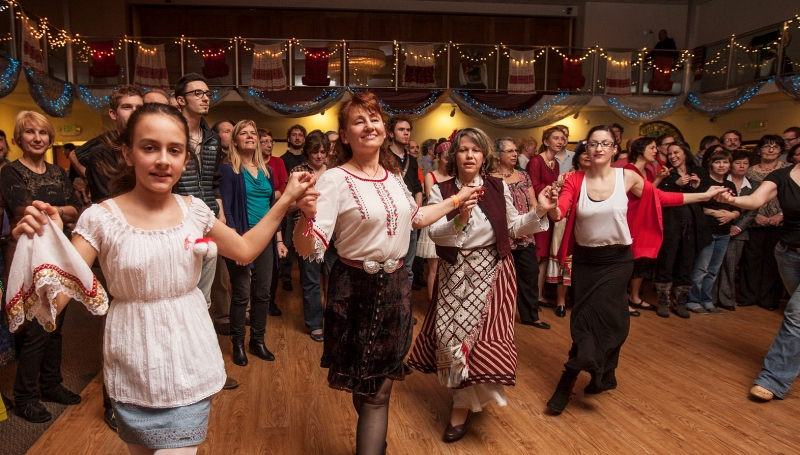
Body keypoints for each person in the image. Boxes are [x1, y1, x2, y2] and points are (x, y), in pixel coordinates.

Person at [11, 103, 314, 453]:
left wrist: (286, 200)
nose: (162, 160)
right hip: (132, 362)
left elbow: (244, 250)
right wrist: (41, 243)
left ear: (186, 160)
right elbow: (56, 300)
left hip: (189, 358)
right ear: (128, 153)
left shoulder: (194, 210)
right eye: (149, 147)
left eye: (174, 150)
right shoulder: (99, 218)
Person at [292, 92, 479, 455]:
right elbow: (309, 246)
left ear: (384, 128)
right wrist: (305, 217)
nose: (369, 126)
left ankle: (372, 442)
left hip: (396, 288)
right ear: (344, 135)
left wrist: (457, 200)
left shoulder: (394, 177)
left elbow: (417, 218)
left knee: (378, 392)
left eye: (374, 119)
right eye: (358, 121)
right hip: (354, 291)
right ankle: (374, 440)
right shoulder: (334, 179)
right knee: (365, 388)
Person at [545, 127, 724, 414]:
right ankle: (601, 372)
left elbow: (660, 198)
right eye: (593, 143)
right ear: (586, 149)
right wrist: (550, 206)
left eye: (605, 143)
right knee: (586, 318)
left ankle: (568, 380)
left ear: (614, 149)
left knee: (601, 319)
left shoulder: (626, 177)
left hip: (618, 259)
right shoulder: (574, 180)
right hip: (586, 260)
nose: (599, 148)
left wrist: (703, 196)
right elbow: (559, 212)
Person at [408, 128, 554, 443]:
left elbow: (514, 227)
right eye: (464, 150)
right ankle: (464, 394)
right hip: (454, 272)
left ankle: (460, 408)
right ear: (454, 155)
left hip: (493, 273)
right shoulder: (443, 190)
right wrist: (460, 217)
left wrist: (539, 210)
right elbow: (435, 234)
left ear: (484, 155)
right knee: (451, 338)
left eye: (476, 150)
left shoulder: (497, 187)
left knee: (482, 340)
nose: (470, 155)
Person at [1, 111, 81, 423]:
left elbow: (77, 209)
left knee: (57, 324)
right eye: (30, 132)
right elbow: (26, 211)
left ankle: (50, 384)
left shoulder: (58, 172)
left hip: (61, 252)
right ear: (17, 139)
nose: (37, 138)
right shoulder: (11, 172)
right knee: (36, 327)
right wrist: (61, 211)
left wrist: (56, 210)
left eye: (43, 133)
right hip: (29, 254)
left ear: (50, 139)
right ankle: (25, 396)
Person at [714, 155, 800, 401]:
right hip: (789, 254)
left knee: (796, 315)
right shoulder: (782, 176)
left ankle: (774, 379)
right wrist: (732, 200)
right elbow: (755, 199)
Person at [173, 73, 237, 391]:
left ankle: (205, 370)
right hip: (177, 223)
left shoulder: (212, 138)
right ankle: (179, 372)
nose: (205, 97)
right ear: (180, 100)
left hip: (207, 221)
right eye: (197, 92)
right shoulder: (171, 133)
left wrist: (220, 215)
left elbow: (213, 183)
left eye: (207, 92)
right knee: (179, 298)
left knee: (203, 299)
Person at [220, 119, 289, 366]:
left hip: (266, 240)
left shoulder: (267, 172)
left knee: (262, 293)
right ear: (235, 140)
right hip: (241, 239)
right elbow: (227, 209)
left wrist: (278, 239)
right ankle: (238, 343)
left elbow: (273, 211)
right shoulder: (229, 170)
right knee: (241, 293)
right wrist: (235, 244)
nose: (250, 136)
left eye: (253, 133)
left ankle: (257, 341)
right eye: (244, 133)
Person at [492, 136, 550, 329]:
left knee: (530, 274)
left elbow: (533, 203)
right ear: (498, 155)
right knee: (500, 279)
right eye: (509, 151)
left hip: (526, 235)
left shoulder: (523, 175)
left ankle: (531, 316)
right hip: (502, 236)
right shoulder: (491, 177)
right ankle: (498, 319)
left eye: (515, 150)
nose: (515, 154)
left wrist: (528, 225)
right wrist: (511, 229)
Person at [653, 142, 708, 318]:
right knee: (666, 262)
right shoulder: (666, 174)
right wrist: (675, 184)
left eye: (676, 152)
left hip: (692, 225)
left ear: (685, 153)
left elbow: (707, 197)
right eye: (669, 153)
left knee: (686, 264)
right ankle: (663, 303)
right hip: (671, 225)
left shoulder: (698, 171)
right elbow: (658, 196)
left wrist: (697, 188)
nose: (672, 156)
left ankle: (680, 303)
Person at [686, 149, 740, 315]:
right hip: (707, 231)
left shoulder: (730, 185)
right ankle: (693, 300)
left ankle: (707, 300)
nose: (721, 165)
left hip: (724, 232)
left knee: (713, 269)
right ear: (711, 164)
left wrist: (732, 215)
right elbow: (697, 207)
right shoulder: (705, 183)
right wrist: (715, 213)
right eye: (718, 162)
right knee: (701, 268)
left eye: (725, 162)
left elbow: (738, 207)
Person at [740, 135, 786, 311]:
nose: (771, 150)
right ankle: (748, 297)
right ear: (759, 150)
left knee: (773, 262)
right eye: (767, 146)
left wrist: (780, 215)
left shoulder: (787, 170)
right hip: (754, 223)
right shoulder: (749, 171)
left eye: (775, 147)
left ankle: (769, 300)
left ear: (781, 151)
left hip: (779, 223)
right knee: (751, 261)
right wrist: (755, 215)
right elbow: (744, 195)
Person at [76, 84, 145, 202]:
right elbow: (109, 201)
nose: (135, 112)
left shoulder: (150, 148)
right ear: (113, 114)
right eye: (127, 107)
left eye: (139, 107)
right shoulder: (101, 154)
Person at [623, 137, 668, 314]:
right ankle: (622, 299)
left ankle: (634, 297)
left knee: (641, 259)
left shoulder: (648, 171)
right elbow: (647, 193)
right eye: (652, 148)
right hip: (630, 220)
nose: (656, 151)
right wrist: (659, 179)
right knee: (627, 261)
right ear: (640, 150)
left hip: (643, 220)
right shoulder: (629, 170)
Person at [547, 141, 590, 314]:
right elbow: (559, 204)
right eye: (584, 153)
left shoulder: (597, 179)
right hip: (565, 223)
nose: (587, 156)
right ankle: (561, 301)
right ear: (578, 157)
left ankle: (581, 300)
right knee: (564, 261)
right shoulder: (565, 177)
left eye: (590, 153)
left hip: (586, 225)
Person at [526, 126, 567, 312]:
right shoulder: (536, 161)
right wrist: (556, 184)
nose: (560, 141)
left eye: (563, 138)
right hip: (538, 212)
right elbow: (533, 187)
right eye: (556, 138)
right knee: (535, 257)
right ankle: (528, 298)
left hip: (548, 212)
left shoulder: (555, 163)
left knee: (544, 257)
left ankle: (538, 295)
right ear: (546, 141)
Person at [295, 131, 330, 342]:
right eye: (315, 152)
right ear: (308, 151)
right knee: (311, 279)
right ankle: (315, 324)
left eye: (323, 152)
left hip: (333, 232)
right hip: (307, 229)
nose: (319, 156)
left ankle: (334, 320)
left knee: (334, 276)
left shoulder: (334, 171)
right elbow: (289, 204)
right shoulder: (298, 171)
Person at [712, 149, 757, 310]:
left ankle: (726, 300)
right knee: (712, 266)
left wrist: (737, 226)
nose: (742, 166)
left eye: (745, 163)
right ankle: (710, 298)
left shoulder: (754, 185)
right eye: (738, 163)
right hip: (718, 227)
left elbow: (752, 210)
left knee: (730, 267)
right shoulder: (721, 182)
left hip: (739, 232)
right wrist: (726, 220)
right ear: (731, 165)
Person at [387, 114, 424, 288]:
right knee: (390, 265)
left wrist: (417, 211)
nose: (406, 133)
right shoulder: (383, 157)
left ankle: (405, 304)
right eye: (401, 129)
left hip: (410, 218)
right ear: (391, 133)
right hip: (391, 218)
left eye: (408, 130)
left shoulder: (412, 160)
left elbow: (417, 188)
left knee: (408, 268)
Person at [417, 140, 452, 303]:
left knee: (449, 267)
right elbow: (432, 200)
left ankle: (446, 303)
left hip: (452, 222)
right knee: (433, 269)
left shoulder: (456, 176)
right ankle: (433, 304)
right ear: (438, 157)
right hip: (435, 220)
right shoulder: (430, 176)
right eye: (446, 157)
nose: (449, 160)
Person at [259, 127, 288, 318]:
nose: (269, 145)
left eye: (271, 141)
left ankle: (270, 300)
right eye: (265, 141)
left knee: (275, 261)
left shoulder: (277, 162)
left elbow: (285, 187)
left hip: (277, 216)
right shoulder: (251, 165)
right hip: (256, 218)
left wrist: (268, 197)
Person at [279, 124, 307, 292]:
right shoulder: (283, 160)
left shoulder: (308, 158)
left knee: (306, 241)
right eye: (294, 134)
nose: (297, 137)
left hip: (307, 204)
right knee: (287, 242)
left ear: (304, 138)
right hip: (290, 206)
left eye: (300, 135)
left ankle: (305, 278)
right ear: (289, 138)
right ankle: (286, 277)